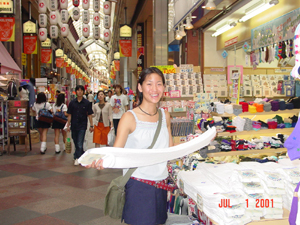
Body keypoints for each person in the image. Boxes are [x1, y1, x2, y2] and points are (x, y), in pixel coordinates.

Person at [88, 67, 173, 224]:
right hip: (139, 185)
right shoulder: (129, 117)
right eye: (149, 84)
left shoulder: (165, 116)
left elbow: (169, 150)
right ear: (140, 87)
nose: (155, 89)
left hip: (161, 185)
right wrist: (101, 161)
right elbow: (116, 152)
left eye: (159, 84)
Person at [67, 85, 94, 165]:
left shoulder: (87, 103)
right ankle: (80, 153)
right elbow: (69, 115)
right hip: (74, 125)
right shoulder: (72, 103)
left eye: (81, 90)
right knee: (75, 141)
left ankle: (77, 158)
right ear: (76, 92)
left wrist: (91, 125)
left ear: (83, 92)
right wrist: (68, 125)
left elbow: (89, 115)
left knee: (79, 142)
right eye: (78, 90)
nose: (79, 92)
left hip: (82, 125)